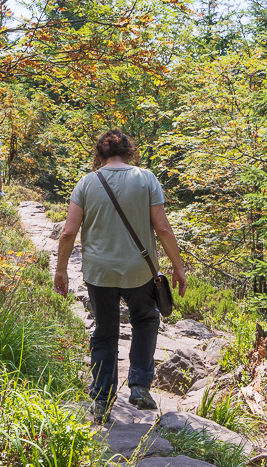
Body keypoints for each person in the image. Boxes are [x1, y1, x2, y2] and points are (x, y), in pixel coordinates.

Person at [53, 129, 187, 422]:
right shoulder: (146, 178)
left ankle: (102, 400)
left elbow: (68, 233)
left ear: (99, 155)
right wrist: (178, 267)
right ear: (129, 152)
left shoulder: (86, 183)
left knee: (105, 331)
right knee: (146, 320)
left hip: (100, 272)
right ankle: (139, 386)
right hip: (140, 270)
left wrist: (61, 271)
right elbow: (163, 228)